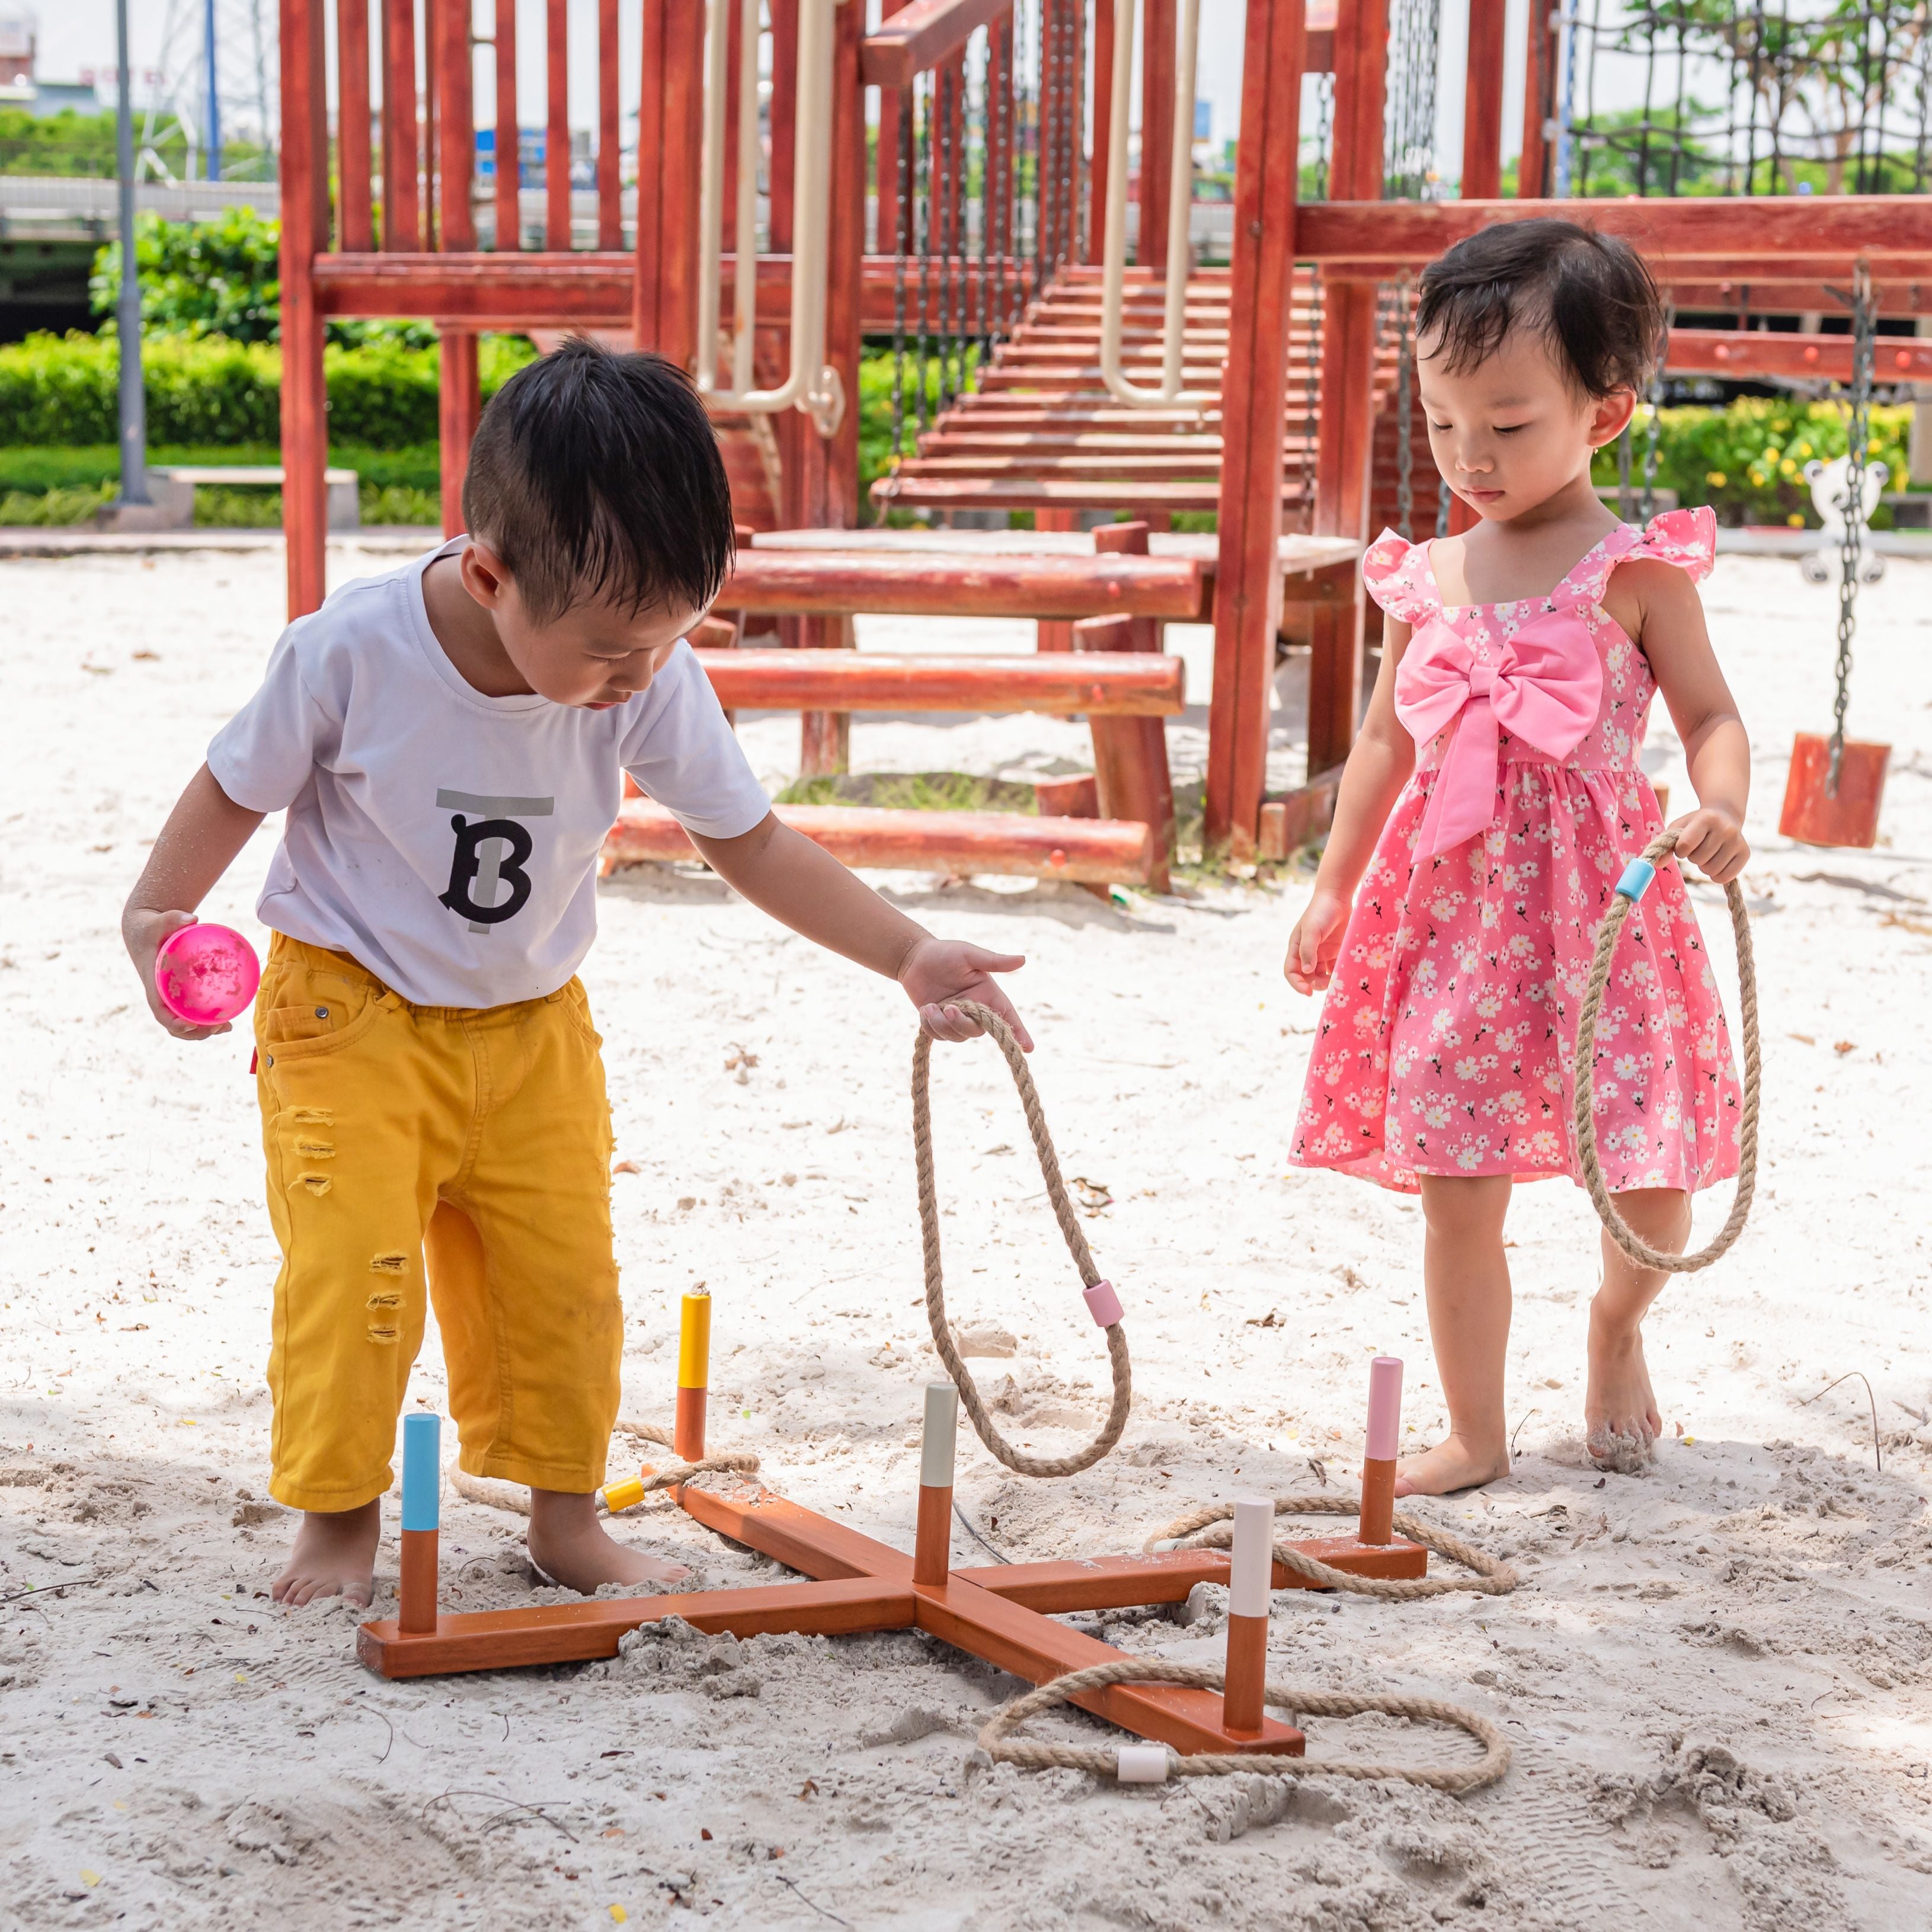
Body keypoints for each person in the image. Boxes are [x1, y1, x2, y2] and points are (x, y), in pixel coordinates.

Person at [120, 340, 1030, 1607]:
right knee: (355, 1272)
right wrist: (162, 914)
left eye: (670, 639)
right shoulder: (351, 650)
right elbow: (233, 783)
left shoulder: (643, 671)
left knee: (561, 1278)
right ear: (489, 576)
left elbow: (750, 839)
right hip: (351, 1011)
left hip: (533, 1022)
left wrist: (905, 950)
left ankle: (564, 1519)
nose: (639, 677)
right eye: (612, 650)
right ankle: (337, 1525)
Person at [1284, 220, 1749, 1496]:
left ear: (1603, 417)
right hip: (1454, 917)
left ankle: (1613, 1327)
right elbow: (1382, 744)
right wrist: (1332, 883)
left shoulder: (1636, 571)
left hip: (1611, 909)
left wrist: (1719, 807)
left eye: (1506, 424)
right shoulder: (1424, 577)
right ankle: (1476, 1430)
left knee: (1650, 1179)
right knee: (1457, 1183)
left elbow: (1711, 717)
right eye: (1442, 425)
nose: (1470, 458)